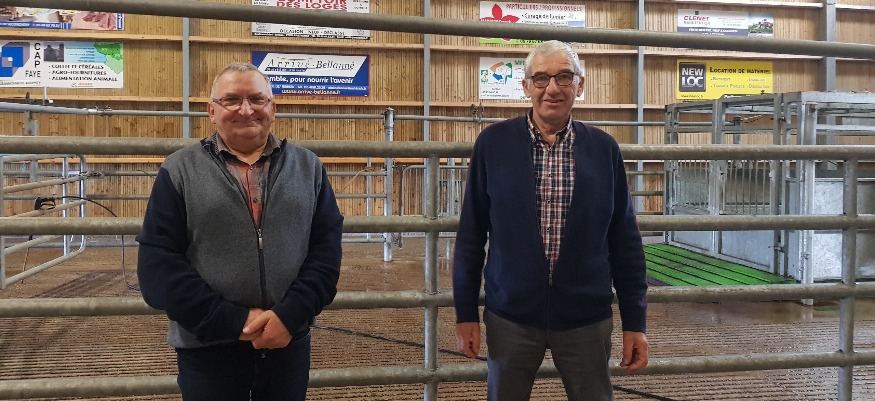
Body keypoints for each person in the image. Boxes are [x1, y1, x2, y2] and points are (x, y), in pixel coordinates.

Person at [452, 40, 649, 401]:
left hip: (586, 318)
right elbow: (471, 235)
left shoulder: (604, 150)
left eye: (564, 77)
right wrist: (466, 313)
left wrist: (635, 322)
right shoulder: (493, 144)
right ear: (526, 86)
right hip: (510, 317)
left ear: (580, 85)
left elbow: (624, 239)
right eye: (541, 78)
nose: (552, 88)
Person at [137, 62, 343, 401]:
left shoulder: (309, 168)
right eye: (232, 100)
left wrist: (289, 315)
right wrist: (235, 321)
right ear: (212, 111)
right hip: (208, 347)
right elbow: (158, 267)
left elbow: (326, 252)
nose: (246, 110)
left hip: (286, 341)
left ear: (272, 108)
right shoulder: (179, 171)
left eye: (257, 99)